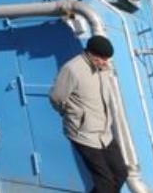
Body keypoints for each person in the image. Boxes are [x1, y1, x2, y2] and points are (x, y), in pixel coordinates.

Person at [49, 36, 127, 193]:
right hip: (84, 134)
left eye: (107, 59)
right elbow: (56, 98)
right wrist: (74, 114)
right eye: (102, 58)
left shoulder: (103, 68)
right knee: (105, 182)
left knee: (121, 173)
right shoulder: (72, 69)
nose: (106, 62)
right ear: (90, 53)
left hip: (104, 133)